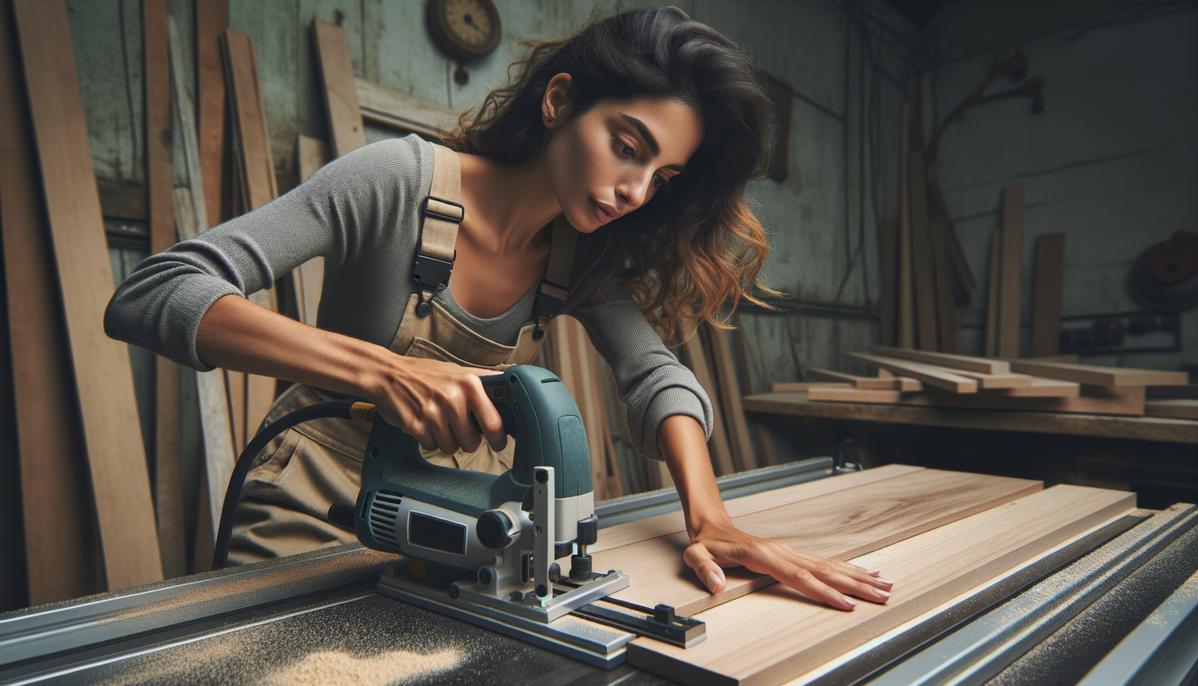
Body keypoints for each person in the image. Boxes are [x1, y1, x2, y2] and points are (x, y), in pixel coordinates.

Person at [105, 6, 892, 611]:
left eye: (663, 175)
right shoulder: (395, 182)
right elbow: (155, 292)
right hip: (315, 495)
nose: (635, 190)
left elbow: (657, 376)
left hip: (460, 514)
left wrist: (709, 516)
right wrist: (384, 372)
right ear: (559, 101)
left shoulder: (581, 259)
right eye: (628, 144)